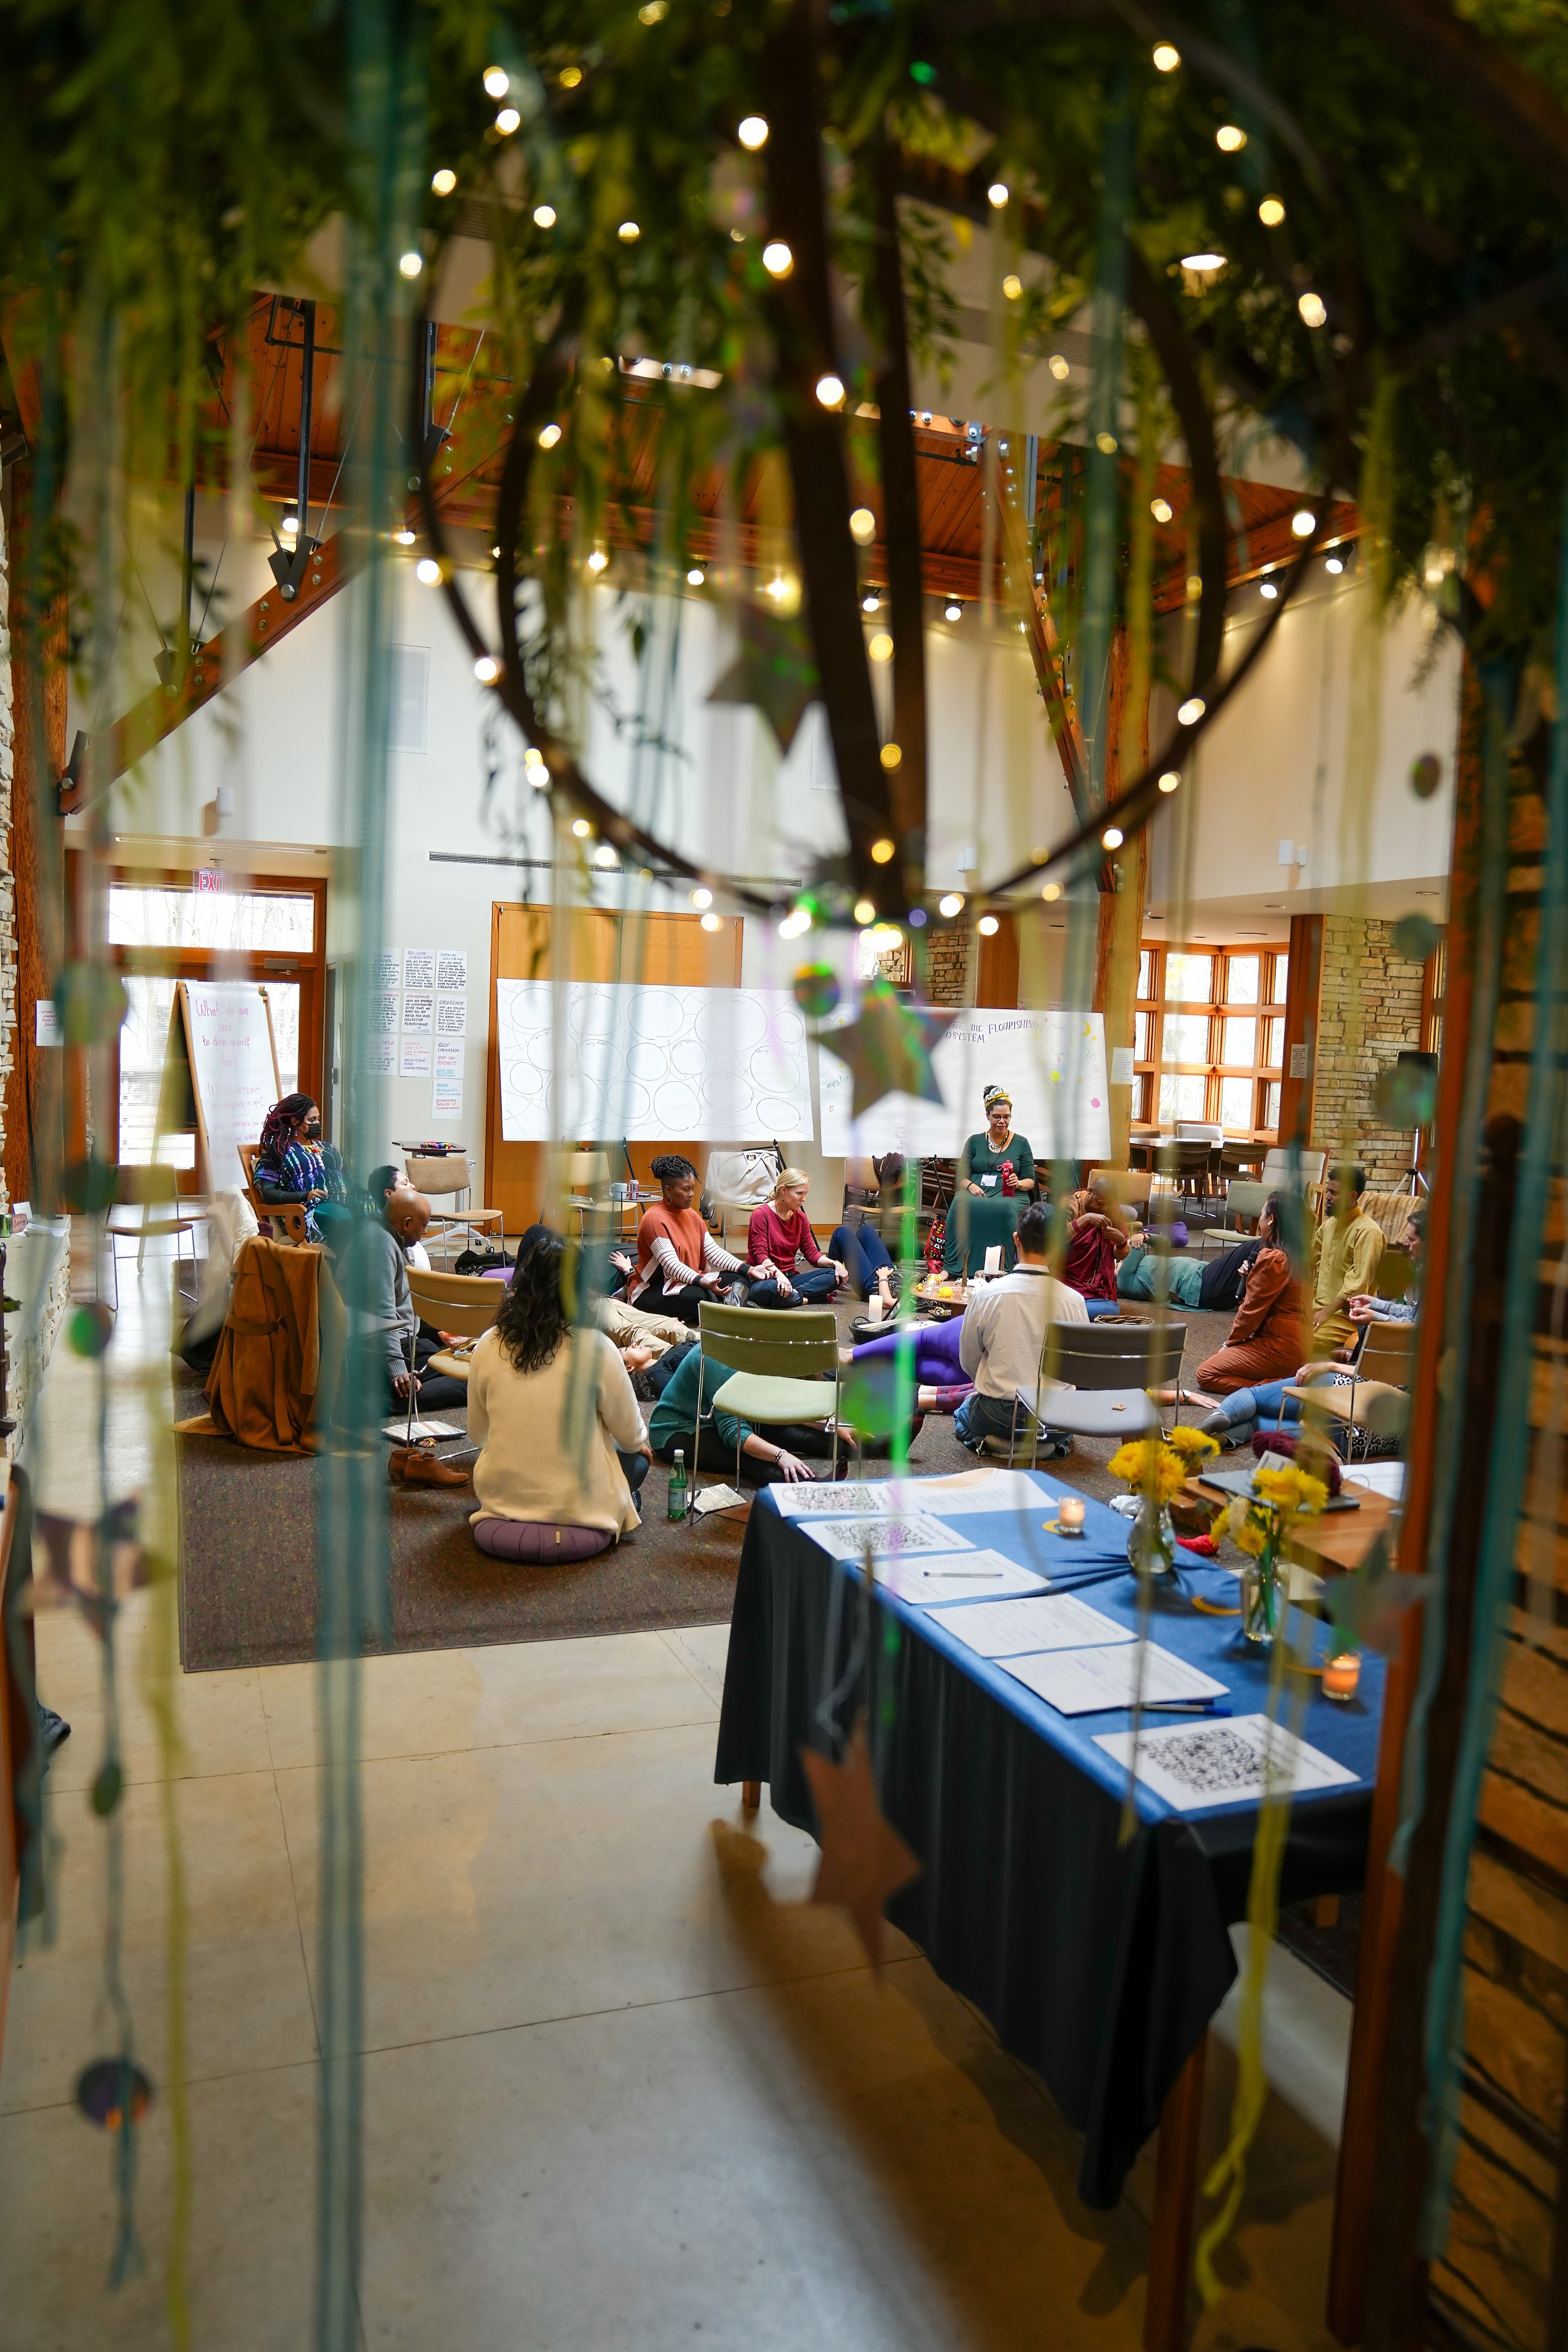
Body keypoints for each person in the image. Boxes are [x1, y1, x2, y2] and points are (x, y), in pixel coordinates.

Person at [465, 1231, 650, 1558]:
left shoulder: (488, 1343)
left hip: (499, 1507)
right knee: (636, 1458)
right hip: (584, 1517)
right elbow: (633, 1437)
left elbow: (479, 1435)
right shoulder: (598, 1347)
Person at [955, 1201, 1088, 1451]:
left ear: (1017, 1239)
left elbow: (968, 1358)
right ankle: (1045, 1447)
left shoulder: (986, 1295)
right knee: (1063, 1430)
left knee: (963, 1413)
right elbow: (1077, 1368)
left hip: (1000, 1412)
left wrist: (986, 1385)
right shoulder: (1075, 1301)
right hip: (1056, 1417)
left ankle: (996, 1444)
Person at [333, 1186, 470, 1416]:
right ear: (406, 1224)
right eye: (424, 1226)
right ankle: (377, 1404)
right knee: (469, 1381)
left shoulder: (380, 1233)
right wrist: (398, 1370)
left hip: (401, 1341)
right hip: (378, 1351)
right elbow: (382, 1314)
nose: (424, 1233)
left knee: (447, 1356)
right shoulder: (379, 1245)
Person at [648, 1342, 837, 1486]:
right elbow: (733, 1431)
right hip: (677, 1430)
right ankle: (814, 1487)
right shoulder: (719, 1357)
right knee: (746, 1458)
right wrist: (780, 1455)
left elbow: (779, 1405)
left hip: (719, 1420)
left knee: (797, 1435)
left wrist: (830, 1424)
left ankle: (865, 1444)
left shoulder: (759, 1354)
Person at [1186, 1194, 1308, 1397]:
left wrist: (1228, 1345)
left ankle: (1275, 1388)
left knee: (1206, 1374)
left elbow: (1251, 1311)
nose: (1259, 1220)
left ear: (1271, 1220)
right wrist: (1252, 1278)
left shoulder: (1274, 1259)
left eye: (1261, 1214)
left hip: (1281, 1345)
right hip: (1299, 1343)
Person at [627, 1153, 744, 1323]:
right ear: (668, 1190)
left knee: (740, 1278)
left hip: (687, 1281)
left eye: (693, 1189)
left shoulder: (691, 1214)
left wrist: (747, 1269)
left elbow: (713, 1252)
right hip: (655, 1289)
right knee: (701, 1296)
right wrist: (704, 1282)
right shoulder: (653, 1219)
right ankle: (728, 1312)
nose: (691, 1194)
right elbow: (673, 1266)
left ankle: (726, 1311)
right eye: (685, 1189)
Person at [1310, 1163, 1385, 1357]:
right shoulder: (1329, 1225)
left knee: (1299, 1339)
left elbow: (1357, 1289)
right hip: (1317, 1308)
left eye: (1334, 1193)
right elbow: (1311, 1261)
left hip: (1346, 1318)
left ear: (1353, 1196)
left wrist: (1324, 1313)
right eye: (1328, 1191)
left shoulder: (1368, 1232)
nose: (1327, 1197)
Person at [254, 1093, 349, 1247]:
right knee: (346, 1223)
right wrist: (305, 1195)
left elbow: (347, 1180)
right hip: (307, 1213)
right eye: (312, 1120)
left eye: (318, 1119)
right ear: (295, 1122)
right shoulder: (279, 1153)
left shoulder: (328, 1149)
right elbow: (268, 1193)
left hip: (342, 1205)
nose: (317, 1123)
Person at [746, 1168, 847, 1309]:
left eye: (806, 1194)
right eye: (799, 1193)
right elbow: (760, 1255)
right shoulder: (761, 1215)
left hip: (790, 1279)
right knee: (772, 1288)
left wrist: (836, 1264)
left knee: (836, 1275)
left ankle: (791, 1296)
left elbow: (812, 1254)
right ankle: (807, 1298)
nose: (803, 1198)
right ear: (783, 1190)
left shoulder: (801, 1217)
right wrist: (779, 1276)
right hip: (763, 1279)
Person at [845, 1315, 972, 1412]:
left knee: (921, 1342)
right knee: (912, 1363)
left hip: (971, 1336)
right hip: (971, 1376)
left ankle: (851, 1356)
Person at [1060, 1175, 1130, 1311]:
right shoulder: (1070, 1204)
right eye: (1100, 1203)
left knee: (1110, 1311)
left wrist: (1121, 1241)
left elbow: (1121, 1253)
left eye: (1108, 1205)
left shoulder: (1112, 1209)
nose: (1104, 1209)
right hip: (1067, 1275)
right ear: (1090, 1191)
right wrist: (1087, 1219)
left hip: (1097, 1278)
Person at [959, 1084, 1037, 1199]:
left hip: (1009, 1195)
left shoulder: (1021, 1142)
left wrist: (1018, 1183)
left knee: (1005, 1208)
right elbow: (960, 1177)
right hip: (975, 1194)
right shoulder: (974, 1141)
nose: (1002, 1121)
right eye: (997, 1117)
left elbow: (1030, 1181)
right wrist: (970, 1185)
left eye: (1006, 1117)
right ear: (988, 1115)